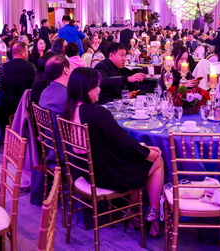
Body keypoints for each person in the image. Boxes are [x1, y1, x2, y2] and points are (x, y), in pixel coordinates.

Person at [62, 67, 163, 237]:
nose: (99, 90)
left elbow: (117, 142)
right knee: (157, 160)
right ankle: (153, 216)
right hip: (105, 174)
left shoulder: (68, 110)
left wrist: (141, 149)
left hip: (84, 170)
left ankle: (133, 215)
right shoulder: (96, 111)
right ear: (86, 88)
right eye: (97, 86)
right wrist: (147, 152)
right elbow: (121, 141)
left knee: (136, 158)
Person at [0, 43, 36, 131]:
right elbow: (35, 86)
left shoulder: (4, 67)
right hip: (27, 105)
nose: (28, 54)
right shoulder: (31, 66)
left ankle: (7, 134)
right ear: (22, 53)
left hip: (10, 104)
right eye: (27, 52)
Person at [38, 55, 71, 123]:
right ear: (66, 70)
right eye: (71, 67)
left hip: (46, 129)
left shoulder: (44, 92)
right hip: (62, 129)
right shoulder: (67, 96)